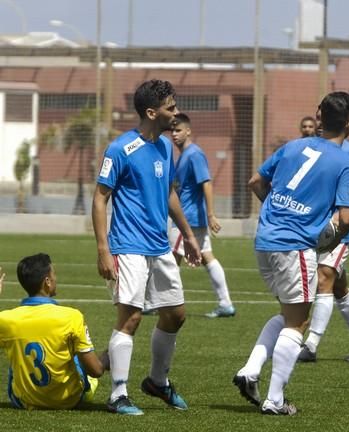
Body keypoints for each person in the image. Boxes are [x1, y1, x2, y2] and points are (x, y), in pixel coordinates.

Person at [233, 91, 349, 416]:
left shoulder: (291, 146)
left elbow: (255, 181)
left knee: (287, 314)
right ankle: (275, 400)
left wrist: (278, 213)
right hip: (296, 245)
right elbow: (346, 218)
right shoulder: (346, 162)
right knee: (298, 323)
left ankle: (250, 369)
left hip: (265, 240)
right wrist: (329, 242)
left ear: (318, 115)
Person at [92, 79, 202, 415]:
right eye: (170, 106)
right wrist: (103, 249)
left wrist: (188, 235)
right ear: (151, 112)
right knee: (131, 317)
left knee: (176, 314)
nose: (175, 112)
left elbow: (169, 192)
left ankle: (157, 382)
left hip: (160, 245)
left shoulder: (167, 147)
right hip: (128, 245)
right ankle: (118, 395)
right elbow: (100, 199)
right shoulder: (120, 149)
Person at [298, 110, 349, 363]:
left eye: (323, 117)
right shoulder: (312, 150)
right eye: (318, 116)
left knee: (324, 277)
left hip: (341, 233)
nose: (320, 121)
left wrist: (339, 218)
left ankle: (310, 346)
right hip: (314, 230)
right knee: (339, 287)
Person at [0, 255, 106, 410]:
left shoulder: (7, 319)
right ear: (47, 282)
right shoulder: (72, 316)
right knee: (76, 353)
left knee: (15, 351)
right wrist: (107, 359)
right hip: (69, 400)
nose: (56, 278)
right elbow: (96, 370)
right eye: (54, 274)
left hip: (24, 400)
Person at [169, 113, 235, 318]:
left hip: (186, 218)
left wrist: (211, 214)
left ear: (189, 131)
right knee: (207, 257)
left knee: (170, 260)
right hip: (191, 216)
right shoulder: (184, 155)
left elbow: (206, 182)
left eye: (178, 130)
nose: (174, 134)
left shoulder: (194, 154)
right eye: (172, 130)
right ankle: (225, 304)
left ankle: (165, 304)